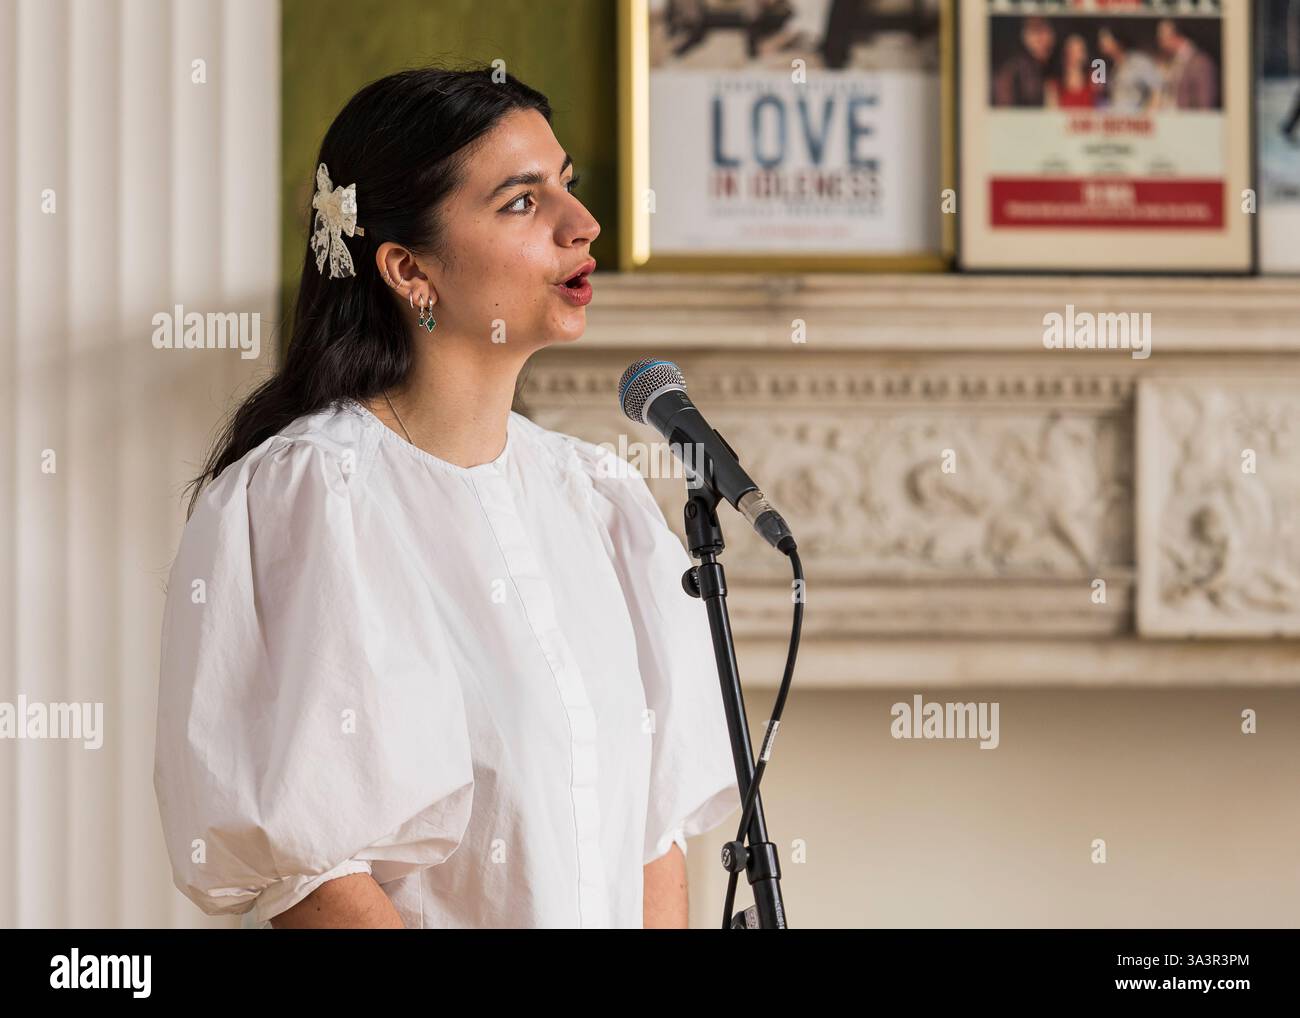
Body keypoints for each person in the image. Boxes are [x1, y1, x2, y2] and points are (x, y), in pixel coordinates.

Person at [152, 66, 741, 929]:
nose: (582, 226)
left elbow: (654, 839)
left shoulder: (601, 502)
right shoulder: (311, 501)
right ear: (407, 268)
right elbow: (315, 873)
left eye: (567, 187)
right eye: (521, 202)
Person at [992, 16, 1055, 107]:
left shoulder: (1045, 68)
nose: (1045, 38)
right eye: (1036, 31)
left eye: (1048, 31)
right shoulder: (1010, 71)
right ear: (1023, 36)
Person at [1097, 25, 1163, 112]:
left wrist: (1150, 115)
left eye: (1106, 39)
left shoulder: (1138, 61)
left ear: (1117, 41)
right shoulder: (1109, 66)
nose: (1102, 43)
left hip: (1136, 120)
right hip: (1116, 120)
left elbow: (1157, 88)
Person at [1156, 18, 1219, 110]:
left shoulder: (1200, 62)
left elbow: (1205, 104)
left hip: (1190, 121)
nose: (1160, 42)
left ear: (1176, 36)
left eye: (1162, 37)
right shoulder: (1171, 61)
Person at [1046, 33, 1099, 109]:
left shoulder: (1094, 79)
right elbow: (1052, 115)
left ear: (1085, 55)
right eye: (1071, 51)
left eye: (1079, 51)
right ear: (1064, 54)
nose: (1075, 55)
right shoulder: (1053, 84)